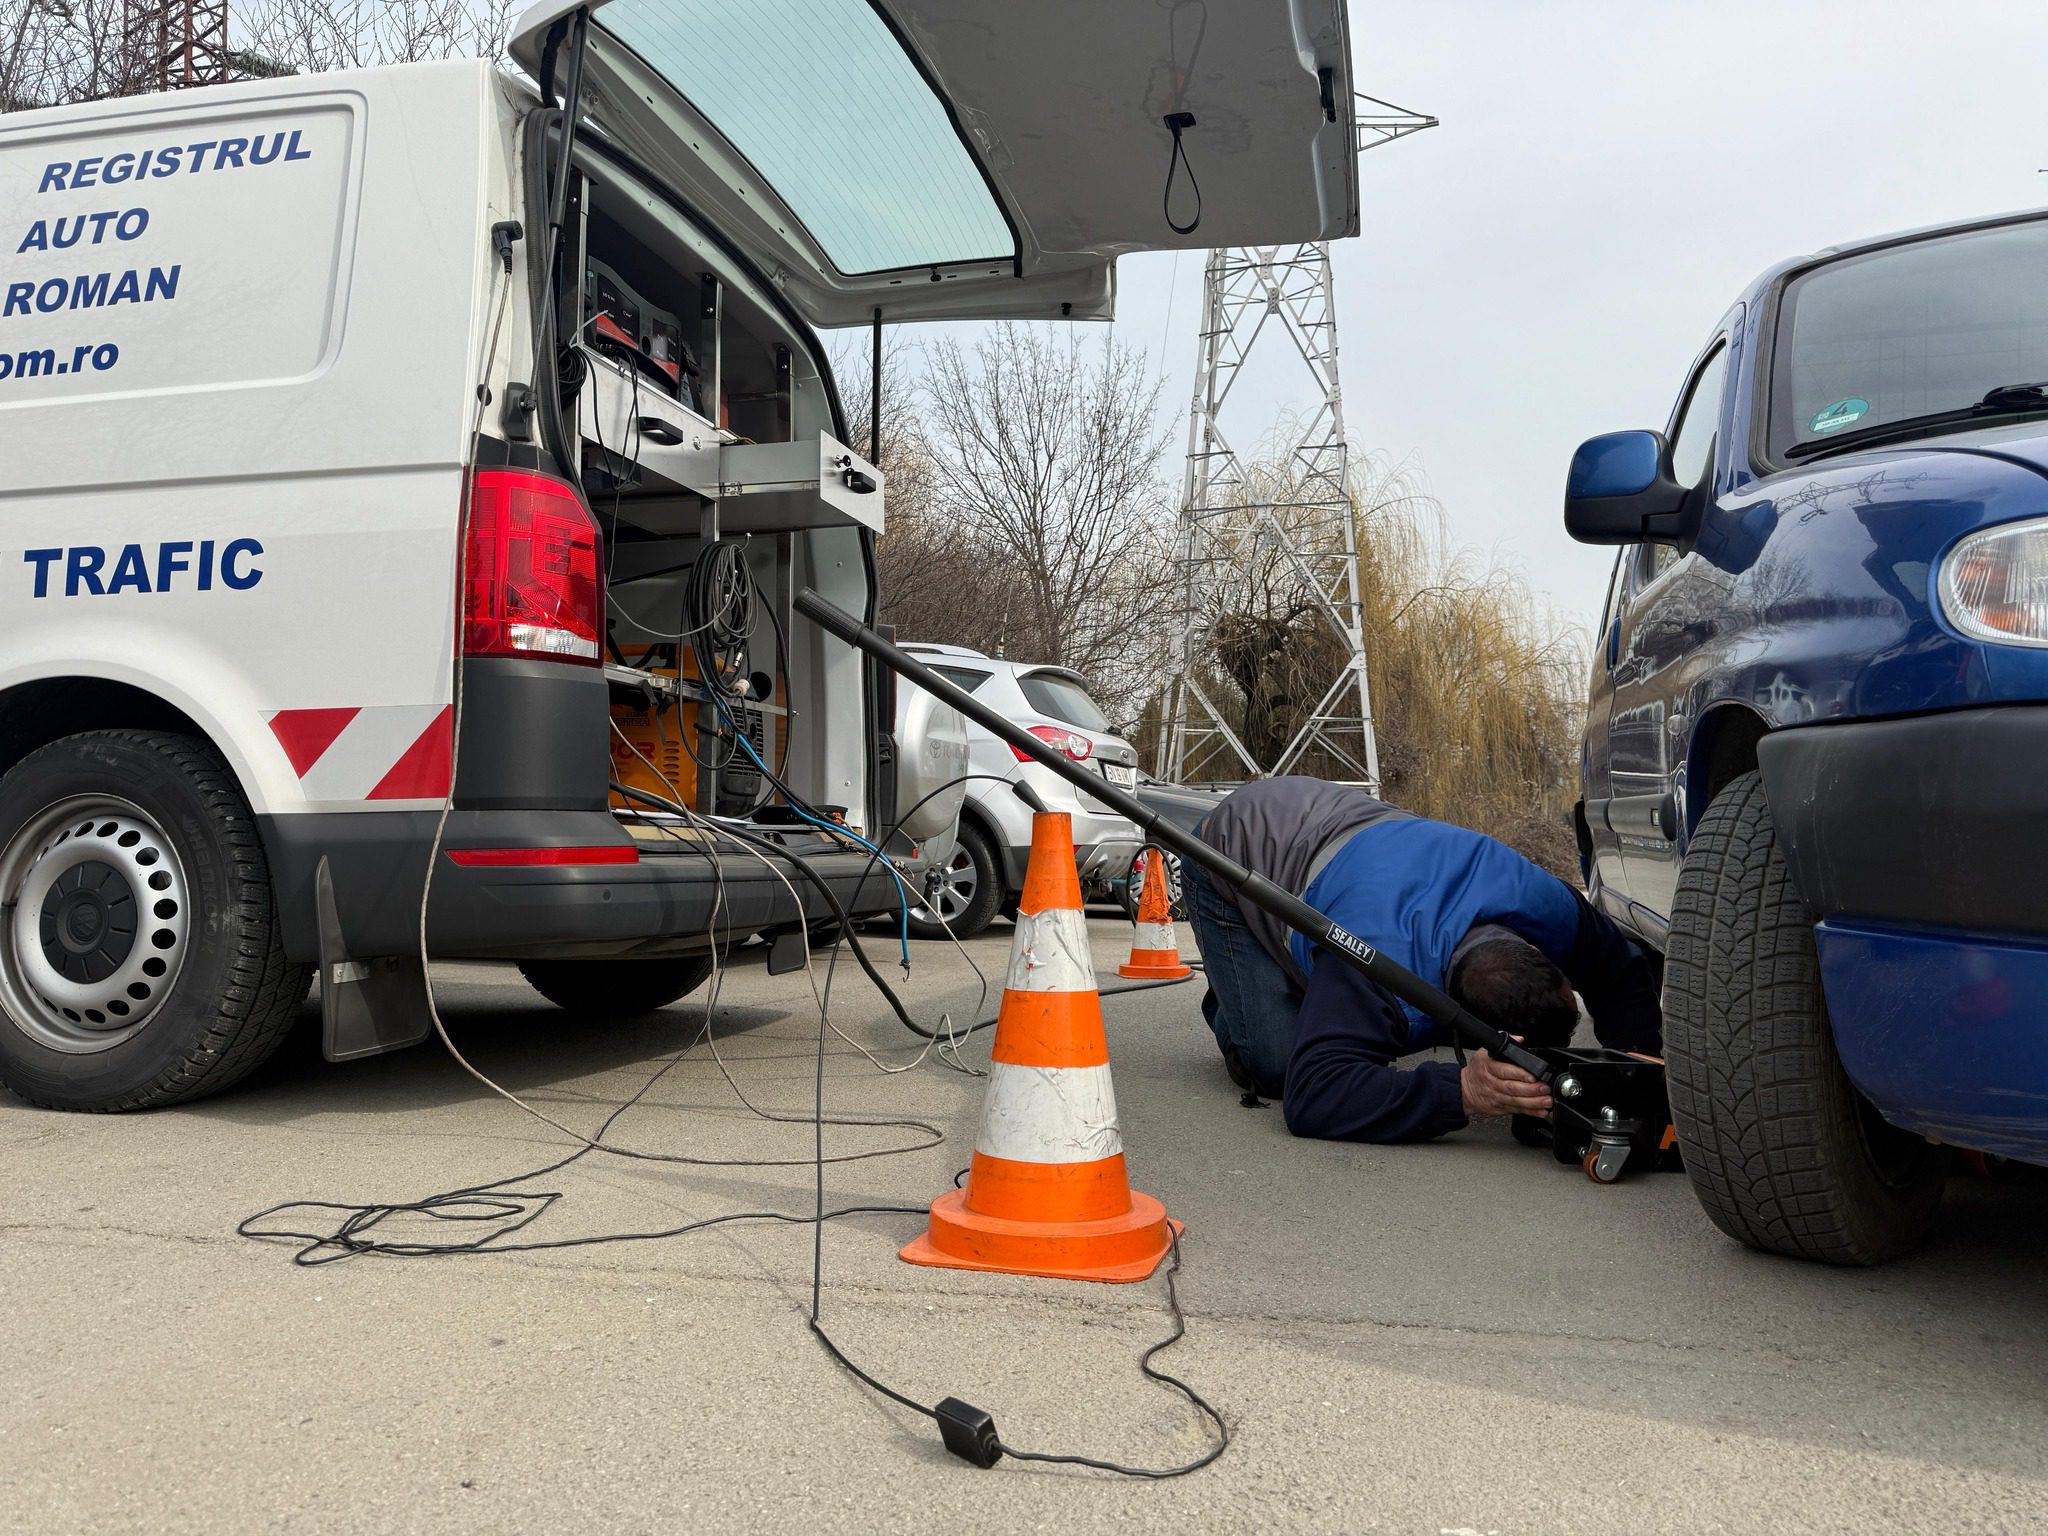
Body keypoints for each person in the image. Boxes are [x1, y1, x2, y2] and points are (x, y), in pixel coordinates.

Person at [1183, 777, 1661, 1144]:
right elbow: (1313, 1096)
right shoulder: (1374, 960)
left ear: (1544, 953)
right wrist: (1463, 1091)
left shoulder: (1548, 907)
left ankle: (1301, 999)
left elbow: (1621, 970)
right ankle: (1234, 997)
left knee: (1344, 1016)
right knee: (1279, 1066)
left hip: (1346, 832)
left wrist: (1638, 1069)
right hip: (1231, 850)